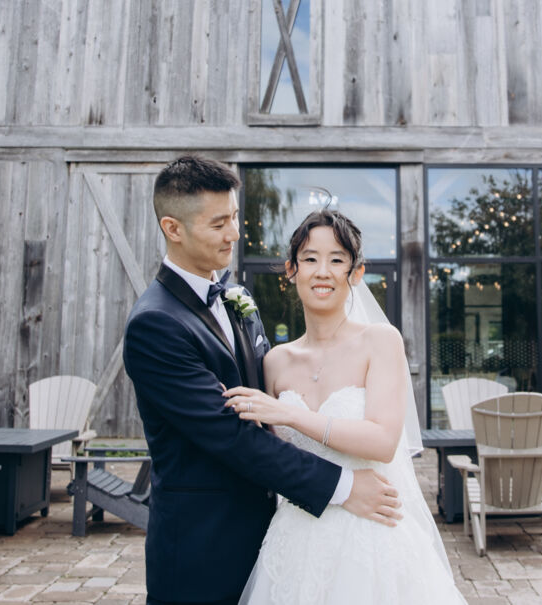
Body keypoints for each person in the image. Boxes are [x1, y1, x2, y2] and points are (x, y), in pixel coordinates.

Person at [122, 155, 403, 605]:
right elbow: (232, 435)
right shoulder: (155, 324)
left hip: (274, 535)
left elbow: (267, 412)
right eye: (219, 224)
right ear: (173, 228)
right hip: (202, 546)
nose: (235, 233)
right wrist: (344, 486)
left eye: (234, 217)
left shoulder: (235, 297)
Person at [223, 209, 468, 605]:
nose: (323, 272)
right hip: (296, 536)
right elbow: (271, 457)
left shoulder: (380, 341)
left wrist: (291, 414)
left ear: (356, 273)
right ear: (291, 270)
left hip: (372, 536)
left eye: (337, 260)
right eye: (310, 259)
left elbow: (383, 441)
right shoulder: (276, 362)